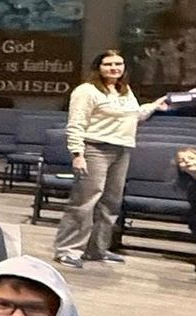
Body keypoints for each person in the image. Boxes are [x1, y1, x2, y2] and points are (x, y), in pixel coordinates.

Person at [53, 50, 171, 268]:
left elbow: (134, 116)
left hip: (121, 150)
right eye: (108, 64)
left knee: (111, 203)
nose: (114, 68)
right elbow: (76, 123)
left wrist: (154, 106)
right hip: (94, 149)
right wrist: (77, 154)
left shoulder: (124, 91)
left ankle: (97, 249)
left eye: (119, 64)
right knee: (85, 202)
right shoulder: (86, 91)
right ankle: (67, 250)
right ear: (99, 67)